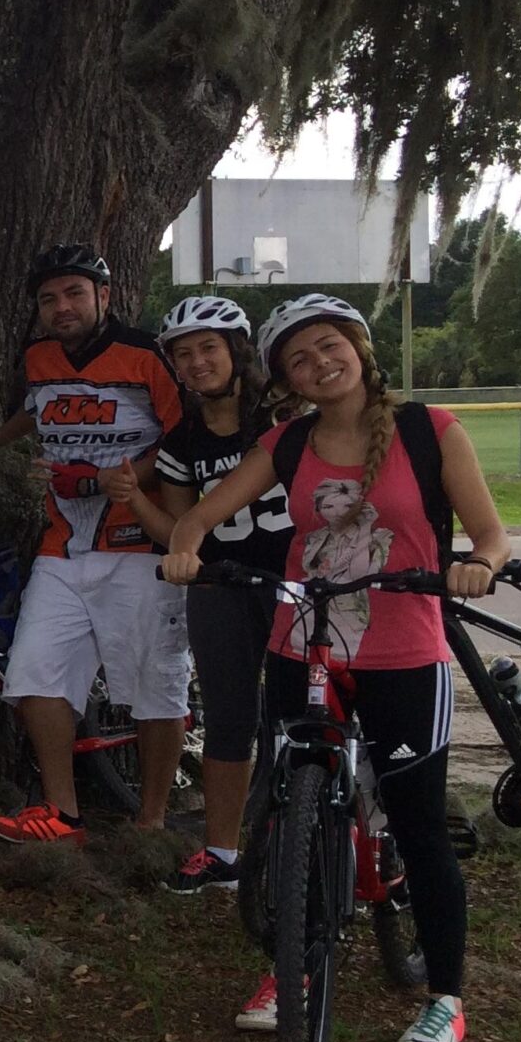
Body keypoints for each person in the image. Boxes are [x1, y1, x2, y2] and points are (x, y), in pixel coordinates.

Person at [161, 293, 508, 1042]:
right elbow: (202, 512)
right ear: (285, 378)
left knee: (419, 826)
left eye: (329, 348)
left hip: (404, 651)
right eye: (299, 360)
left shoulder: (429, 430)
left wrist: (478, 564)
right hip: (304, 645)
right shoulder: (286, 444)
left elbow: (490, 532)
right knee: (292, 812)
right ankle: (291, 972)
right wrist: (186, 545)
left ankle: (445, 998)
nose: (320, 365)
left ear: (358, 348)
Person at [0, 244, 189, 846]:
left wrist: (121, 477)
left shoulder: (144, 355)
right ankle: (64, 813)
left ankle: (153, 820)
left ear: (104, 297)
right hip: (62, 543)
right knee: (34, 674)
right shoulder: (37, 357)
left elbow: (187, 439)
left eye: (74, 294)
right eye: (49, 298)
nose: (62, 307)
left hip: (139, 544)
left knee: (154, 684)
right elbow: (35, 411)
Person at [122, 296, 291, 895]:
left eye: (208, 348)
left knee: (313, 716)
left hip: (299, 584)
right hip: (225, 584)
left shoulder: (285, 419)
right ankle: (222, 851)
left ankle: (329, 836)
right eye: (184, 354)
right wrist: (136, 502)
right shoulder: (180, 443)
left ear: (237, 351)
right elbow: (179, 533)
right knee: (228, 717)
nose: (197, 363)